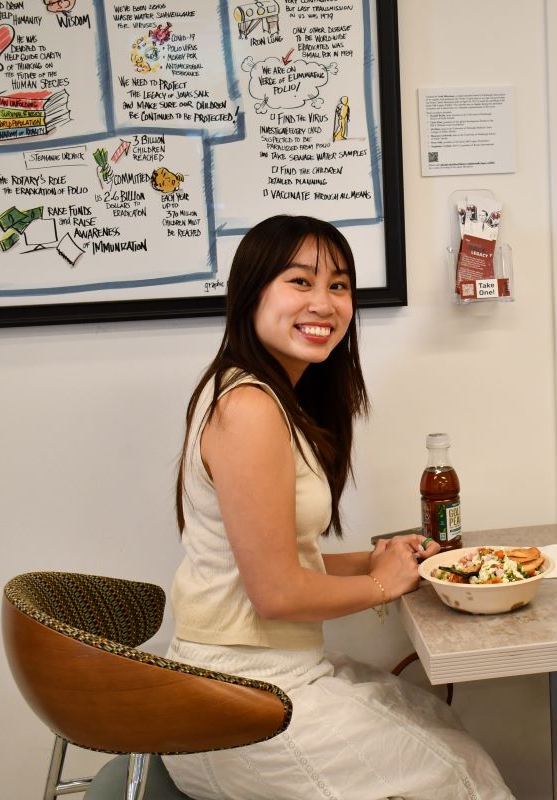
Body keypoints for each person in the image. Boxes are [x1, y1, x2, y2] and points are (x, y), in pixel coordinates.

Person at [162, 215, 513, 799]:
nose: (324, 303)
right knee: (463, 778)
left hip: (253, 675)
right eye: (300, 282)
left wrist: (380, 560)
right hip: (240, 694)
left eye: (340, 285)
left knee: (440, 727)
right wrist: (384, 586)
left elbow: (281, 561)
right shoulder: (248, 407)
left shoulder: (265, 394)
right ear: (251, 292)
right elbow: (276, 594)